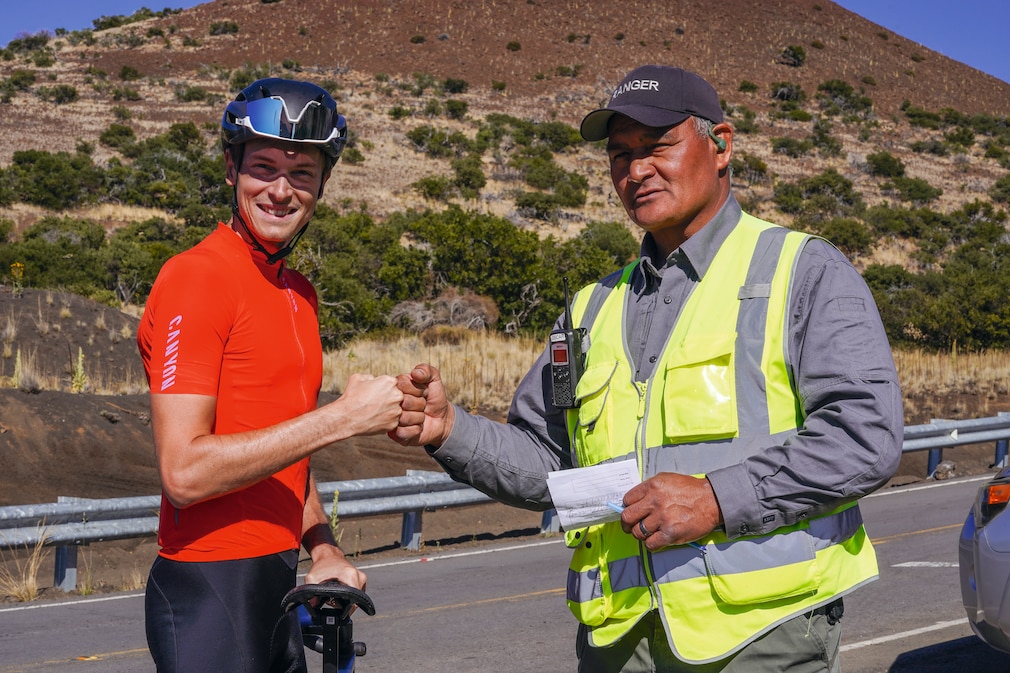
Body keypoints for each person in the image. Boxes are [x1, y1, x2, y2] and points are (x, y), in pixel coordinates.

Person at [392, 65, 903, 672]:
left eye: (658, 145)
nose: (636, 171)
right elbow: (550, 464)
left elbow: (865, 435)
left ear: (722, 145)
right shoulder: (587, 310)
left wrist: (717, 499)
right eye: (620, 155)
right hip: (619, 641)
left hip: (762, 636)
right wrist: (451, 430)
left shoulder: (803, 271)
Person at [137, 78, 405, 673]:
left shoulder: (298, 294)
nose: (281, 191)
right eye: (263, 168)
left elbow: (285, 450)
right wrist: (340, 419)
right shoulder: (196, 278)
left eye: (302, 173)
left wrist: (322, 545)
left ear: (322, 184)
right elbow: (184, 471)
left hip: (280, 583)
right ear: (231, 169)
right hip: (208, 587)